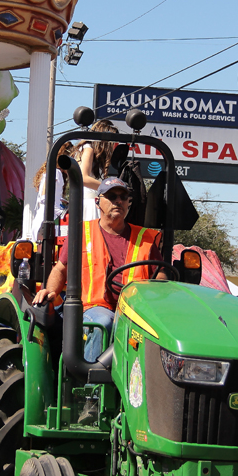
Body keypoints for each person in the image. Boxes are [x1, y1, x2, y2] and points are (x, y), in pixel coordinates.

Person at [32, 177, 167, 362]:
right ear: (98, 202)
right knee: (103, 323)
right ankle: (91, 387)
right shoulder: (81, 232)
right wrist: (51, 290)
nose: (118, 201)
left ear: (129, 202)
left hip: (135, 310)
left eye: (123, 196)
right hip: (93, 308)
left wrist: (159, 290)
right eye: (111, 196)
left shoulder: (145, 237)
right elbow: (61, 269)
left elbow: (160, 273)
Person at [26, 142, 74, 242]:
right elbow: (45, 196)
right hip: (48, 217)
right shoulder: (56, 172)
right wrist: (60, 211)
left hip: (45, 214)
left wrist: (63, 202)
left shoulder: (53, 171)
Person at [74, 120, 116, 222]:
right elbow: (83, 177)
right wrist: (109, 188)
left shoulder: (91, 150)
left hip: (93, 202)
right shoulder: (88, 148)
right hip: (89, 205)